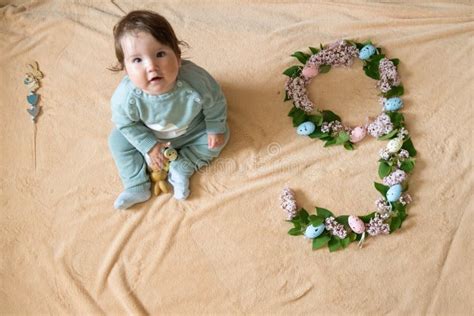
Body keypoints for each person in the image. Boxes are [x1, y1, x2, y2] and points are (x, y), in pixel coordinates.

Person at [108, 10, 229, 209]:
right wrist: (149, 145)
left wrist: (215, 127)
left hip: (192, 129)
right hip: (150, 134)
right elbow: (125, 123)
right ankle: (136, 184)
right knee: (117, 140)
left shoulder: (195, 80)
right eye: (137, 60)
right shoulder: (125, 98)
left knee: (221, 136)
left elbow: (215, 100)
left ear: (178, 57)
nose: (151, 66)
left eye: (160, 54)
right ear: (125, 69)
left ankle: (185, 165)